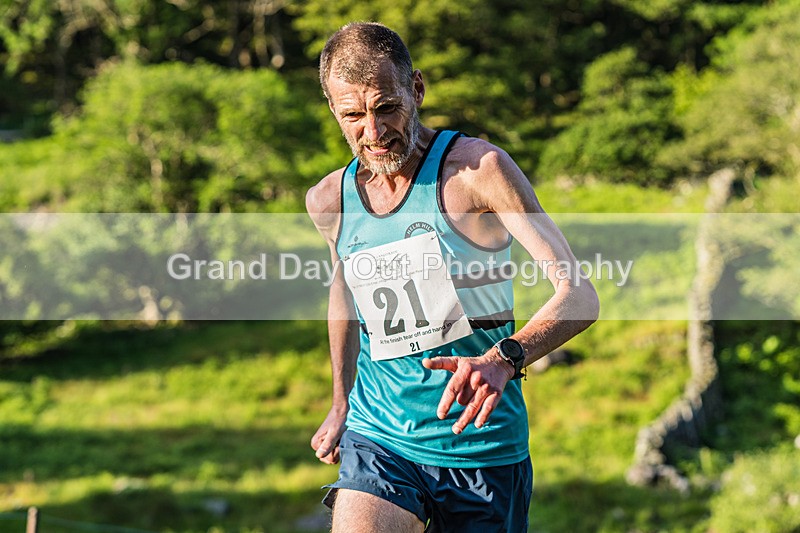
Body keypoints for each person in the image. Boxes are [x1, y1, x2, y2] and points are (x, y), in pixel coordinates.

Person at [305, 22, 599, 533]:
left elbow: (579, 295)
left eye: (387, 107)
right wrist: (340, 402)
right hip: (381, 439)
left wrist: (503, 358)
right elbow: (345, 295)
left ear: (416, 89)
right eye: (353, 115)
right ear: (334, 110)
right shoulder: (330, 199)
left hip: (481, 447)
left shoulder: (477, 171)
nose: (372, 133)